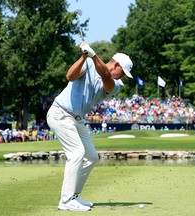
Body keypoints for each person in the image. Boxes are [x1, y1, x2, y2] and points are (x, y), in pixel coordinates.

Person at [46, 41, 133, 211]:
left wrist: (93, 55)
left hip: (77, 119)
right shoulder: (87, 63)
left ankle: (74, 196)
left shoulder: (116, 85)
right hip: (61, 113)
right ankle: (65, 201)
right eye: (122, 73)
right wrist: (84, 56)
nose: (122, 78)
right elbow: (70, 77)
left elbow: (106, 76)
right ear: (116, 65)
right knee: (77, 153)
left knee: (91, 156)